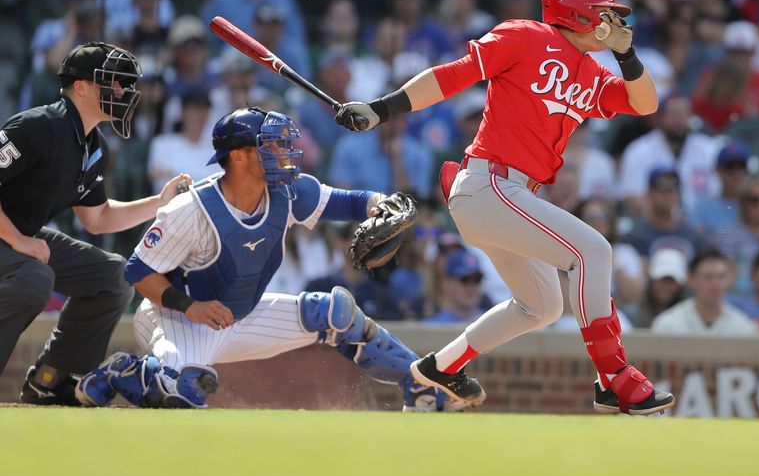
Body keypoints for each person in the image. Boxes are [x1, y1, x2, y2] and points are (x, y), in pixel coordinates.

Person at [335, 0, 674, 415]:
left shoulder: (593, 72)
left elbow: (647, 104)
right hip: (488, 184)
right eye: (606, 12)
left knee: (543, 305)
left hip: (509, 197)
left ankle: (440, 367)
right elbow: (451, 76)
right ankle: (612, 379)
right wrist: (382, 109)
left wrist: (625, 53)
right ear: (580, 13)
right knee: (593, 252)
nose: (614, 20)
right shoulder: (525, 35)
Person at [76, 108, 464, 412]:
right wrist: (190, 306)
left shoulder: (287, 192)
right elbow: (138, 271)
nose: (282, 152)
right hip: (178, 317)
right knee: (185, 390)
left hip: (239, 314)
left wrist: (381, 203)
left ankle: (421, 381)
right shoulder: (190, 210)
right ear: (240, 157)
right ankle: (123, 371)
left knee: (334, 314)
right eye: (270, 145)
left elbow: (344, 201)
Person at [0, 42, 189, 404]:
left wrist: (159, 203)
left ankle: (50, 382)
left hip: (18, 238)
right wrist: (20, 242)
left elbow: (98, 218)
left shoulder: (94, 145)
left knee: (115, 278)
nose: (123, 92)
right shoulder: (38, 125)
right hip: (11, 237)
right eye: (113, 84)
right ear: (81, 87)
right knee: (35, 278)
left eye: (124, 85)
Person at [651, 248, 759, 335]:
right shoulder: (668, 325)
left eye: (721, 276)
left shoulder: (743, 327)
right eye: (708, 277)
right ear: (691, 279)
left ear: (729, 279)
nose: (715, 284)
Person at [423, 249, 490, 325]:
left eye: (477, 279)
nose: (471, 287)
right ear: (446, 282)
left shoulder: (494, 323)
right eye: (464, 279)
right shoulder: (430, 328)